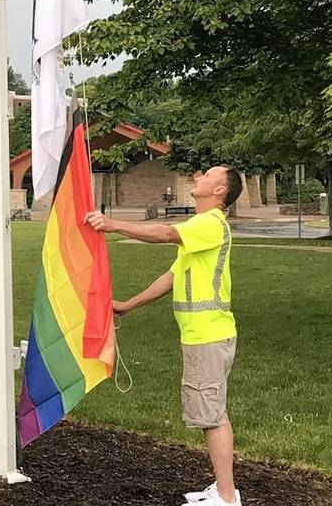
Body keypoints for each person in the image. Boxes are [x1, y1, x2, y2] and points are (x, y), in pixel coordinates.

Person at [84, 165, 243, 506]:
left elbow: (166, 233)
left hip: (208, 337)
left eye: (208, 174)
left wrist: (113, 225)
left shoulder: (210, 224)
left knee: (212, 417)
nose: (198, 175)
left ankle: (227, 498)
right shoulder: (201, 231)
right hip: (205, 336)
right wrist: (129, 305)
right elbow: (173, 275)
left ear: (219, 191)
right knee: (212, 413)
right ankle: (223, 489)